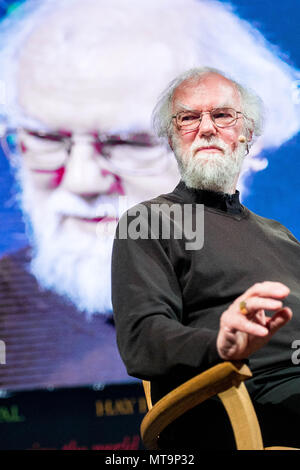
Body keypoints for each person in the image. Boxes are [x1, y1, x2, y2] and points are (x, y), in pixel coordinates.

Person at [0, 0, 299, 391]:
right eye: (44, 138)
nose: (82, 180)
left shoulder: (283, 253)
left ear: (245, 142)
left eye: (129, 144)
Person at [112, 67, 300, 450]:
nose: (207, 128)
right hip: (237, 401)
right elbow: (142, 340)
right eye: (189, 118)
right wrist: (221, 343)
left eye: (222, 115)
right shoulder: (149, 221)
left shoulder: (281, 236)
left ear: (247, 134)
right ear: (172, 138)